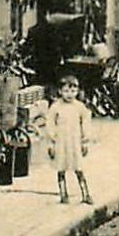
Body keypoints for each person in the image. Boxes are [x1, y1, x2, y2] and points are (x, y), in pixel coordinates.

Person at [45, 74, 93, 204]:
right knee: (61, 168)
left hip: (75, 142)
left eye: (73, 91)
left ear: (77, 91)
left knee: (79, 168)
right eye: (66, 91)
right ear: (60, 91)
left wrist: (85, 141)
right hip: (61, 142)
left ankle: (85, 194)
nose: (69, 94)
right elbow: (50, 123)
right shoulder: (56, 107)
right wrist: (52, 142)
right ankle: (63, 194)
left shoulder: (79, 107)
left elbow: (86, 123)